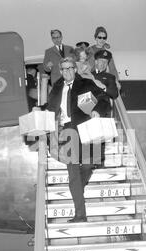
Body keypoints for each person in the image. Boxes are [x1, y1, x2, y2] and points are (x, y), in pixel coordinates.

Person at [43, 57, 109, 223]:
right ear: (61, 71)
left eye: (70, 68)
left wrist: (97, 111)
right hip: (67, 130)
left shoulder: (85, 83)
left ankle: (77, 187)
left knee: (87, 165)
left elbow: (103, 99)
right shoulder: (57, 87)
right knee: (73, 173)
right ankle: (80, 215)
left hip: (85, 128)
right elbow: (50, 108)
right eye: (64, 69)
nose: (67, 71)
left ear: (75, 69)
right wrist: (40, 110)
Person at [91, 49, 119, 117]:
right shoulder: (88, 75)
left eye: (106, 62)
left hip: (103, 109)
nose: (103, 64)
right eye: (101, 61)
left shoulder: (110, 77)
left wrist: (103, 87)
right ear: (96, 62)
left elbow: (114, 94)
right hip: (87, 106)